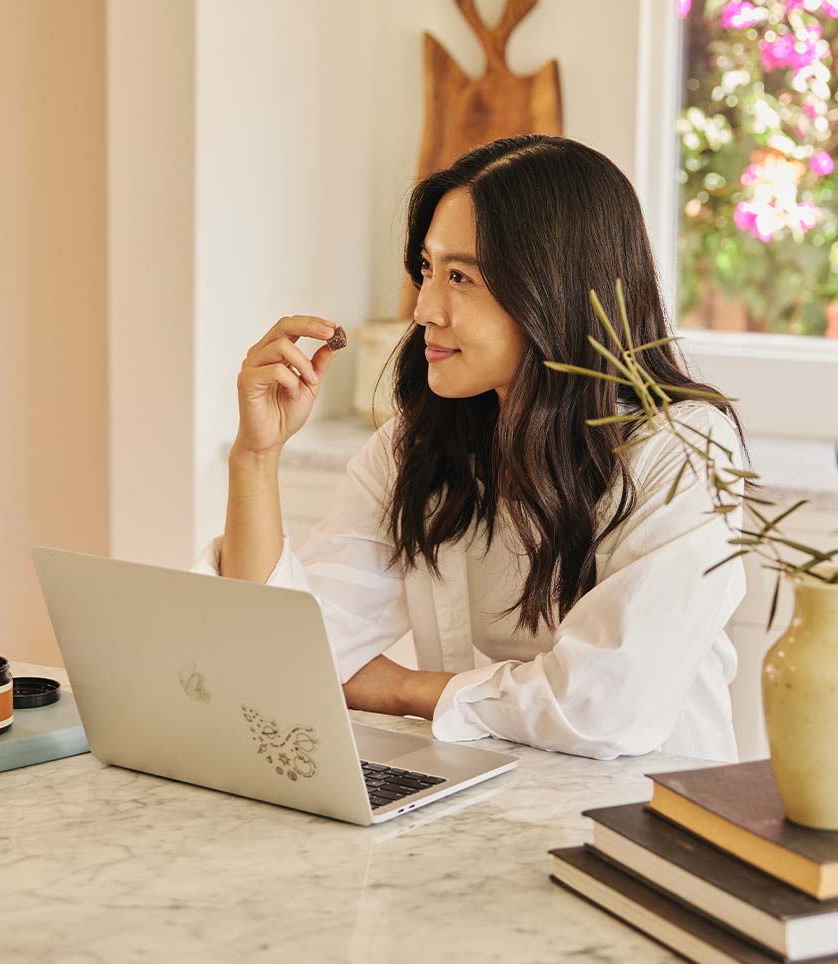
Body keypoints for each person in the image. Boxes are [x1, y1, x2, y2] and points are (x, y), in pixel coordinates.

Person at [190, 135, 748, 762]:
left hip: (642, 825)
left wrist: (403, 689)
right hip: (485, 808)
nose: (425, 308)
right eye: (427, 270)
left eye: (461, 276)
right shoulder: (417, 445)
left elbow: (604, 707)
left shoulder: (684, 452)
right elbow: (278, 657)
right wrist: (256, 458)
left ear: (554, 289)